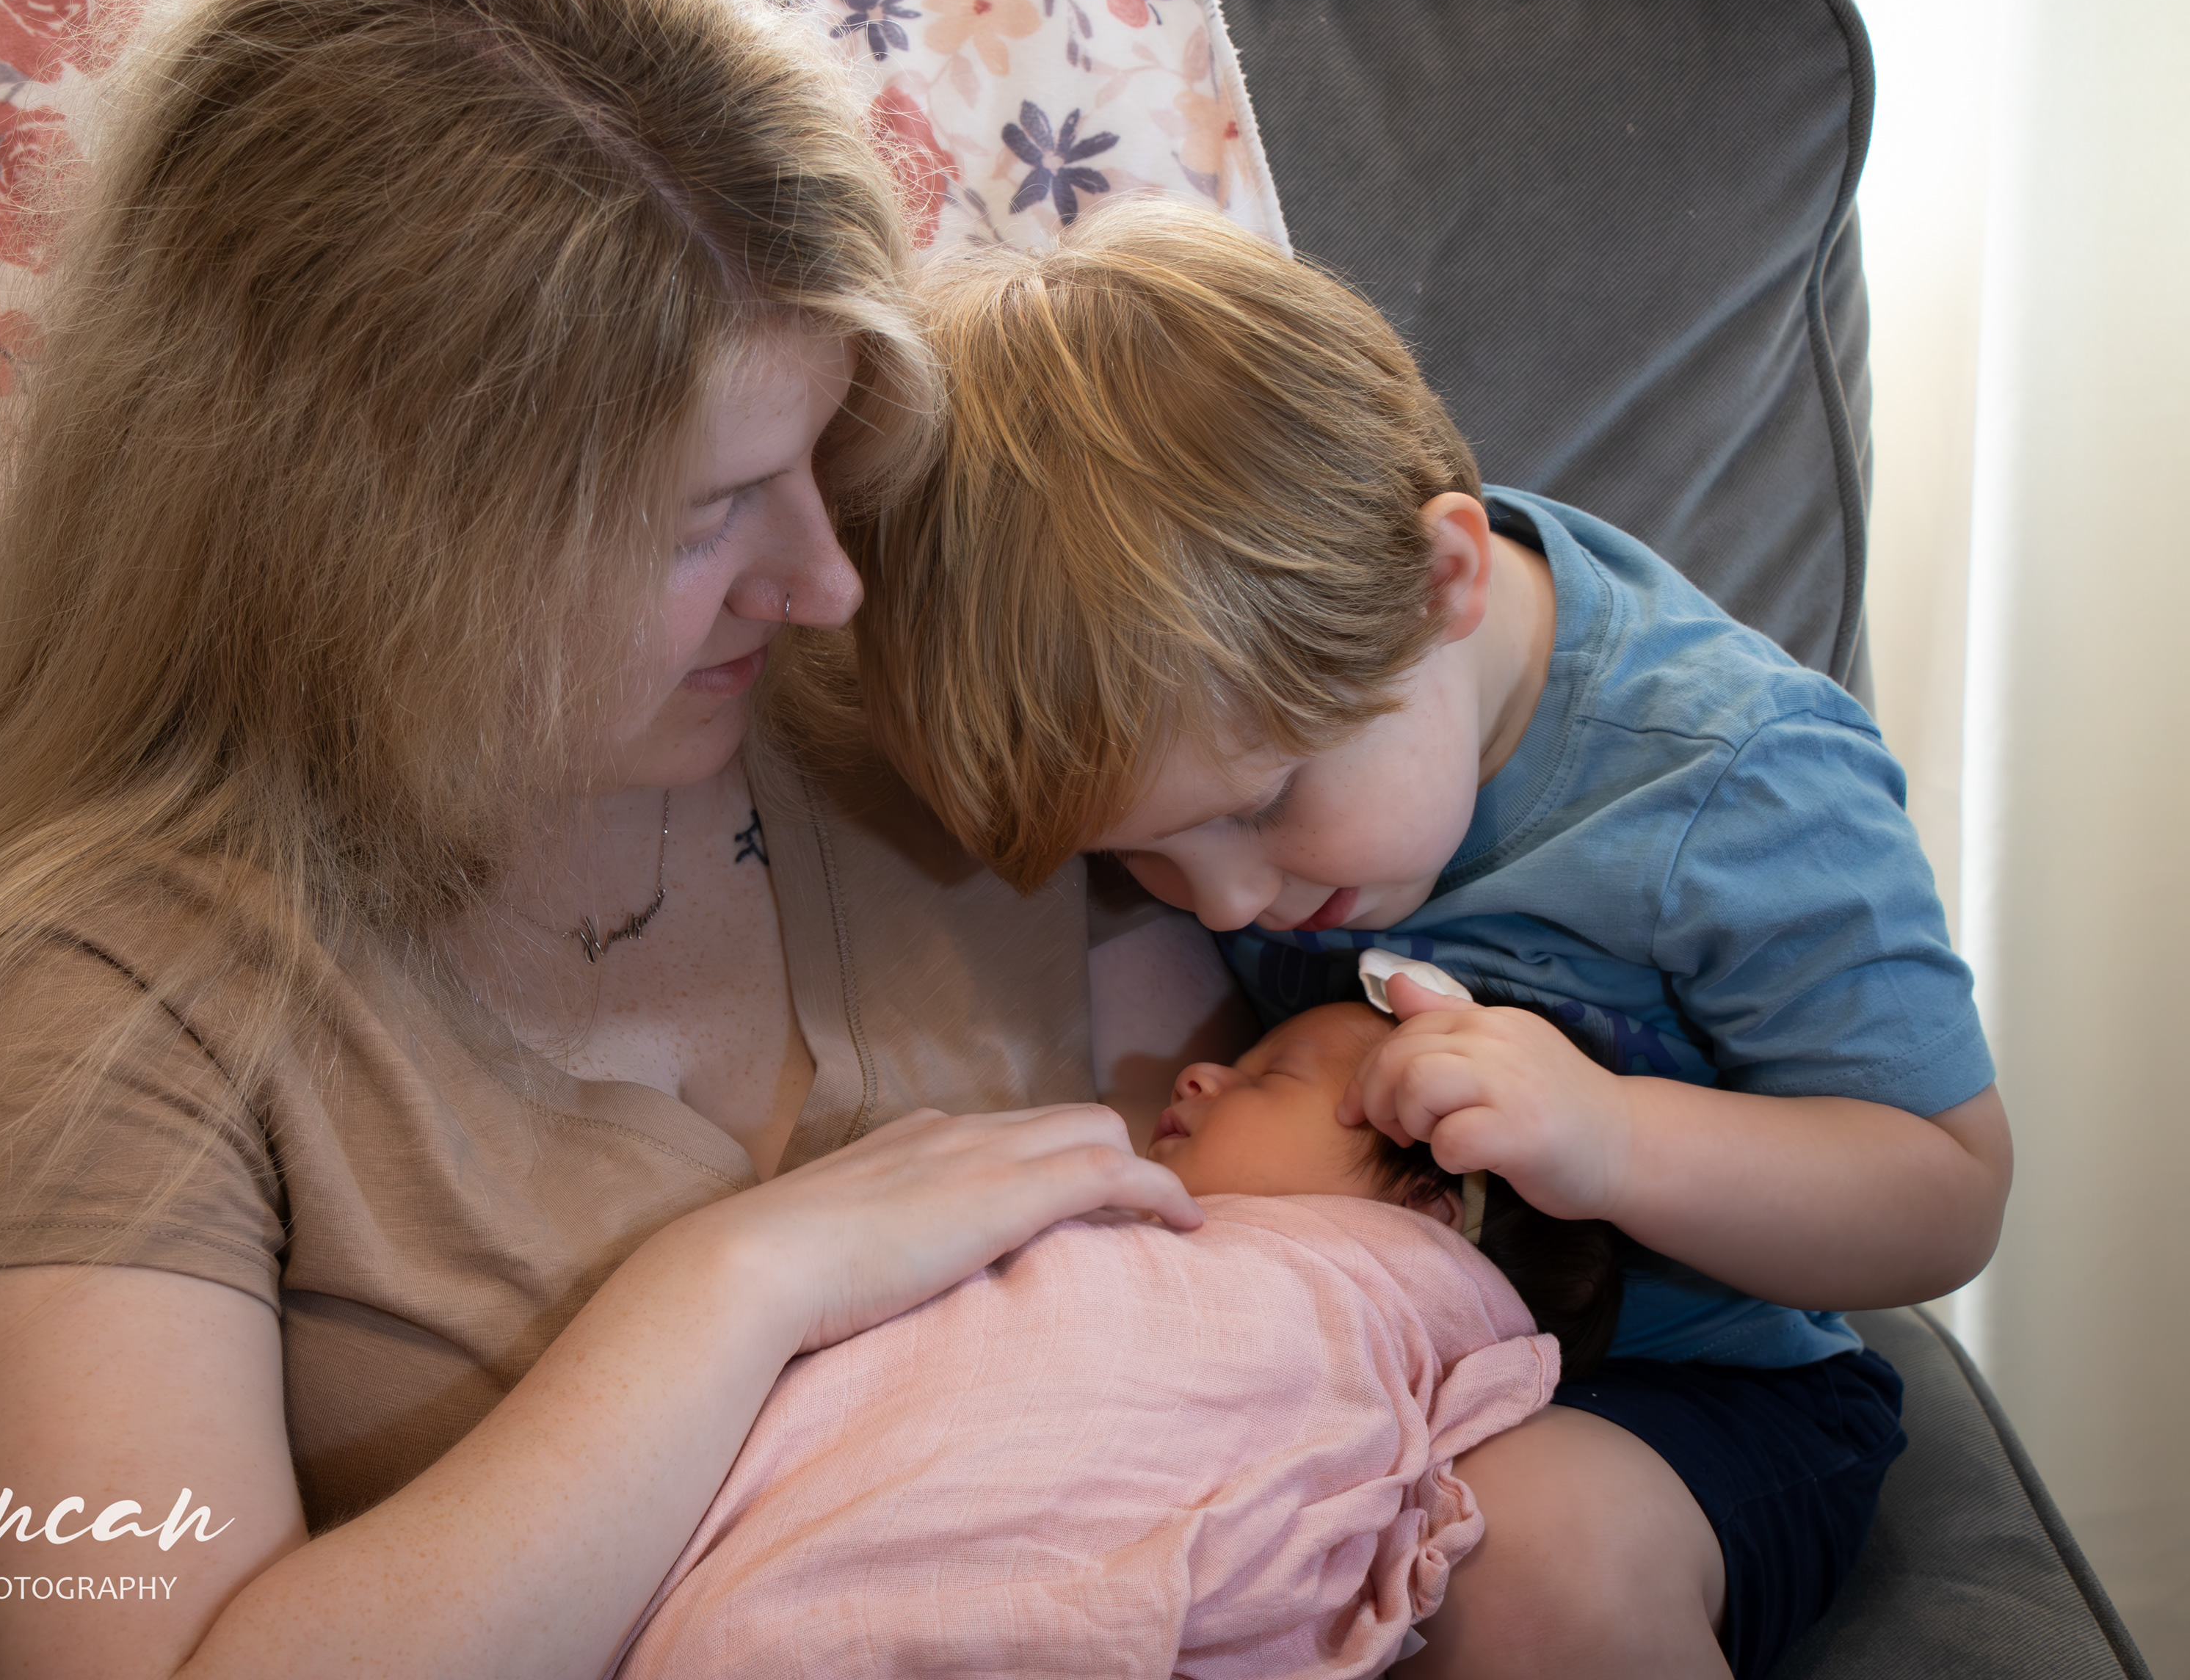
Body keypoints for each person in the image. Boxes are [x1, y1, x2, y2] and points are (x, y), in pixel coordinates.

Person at [0, 0, 1238, 1680]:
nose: (829, 583)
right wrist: (741, 1285)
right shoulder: (95, 1009)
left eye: (819, 448)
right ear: (377, 540)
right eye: (702, 514)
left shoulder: (925, 698)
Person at [841, 195, 2013, 1679]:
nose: (1223, 901)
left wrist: (1613, 1139)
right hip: (1311, 1354)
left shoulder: (1739, 781)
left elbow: (1947, 1195)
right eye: (1140, 852)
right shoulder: (1230, 721)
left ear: (1446, 580)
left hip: (1674, 1395)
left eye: (1262, 805)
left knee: (1521, 1554)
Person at [620, 995, 1600, 1680]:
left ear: (1427, 1207)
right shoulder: (1139, 1244)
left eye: (1273, 1075)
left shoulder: (1342, 1321)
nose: (1204, 1072)